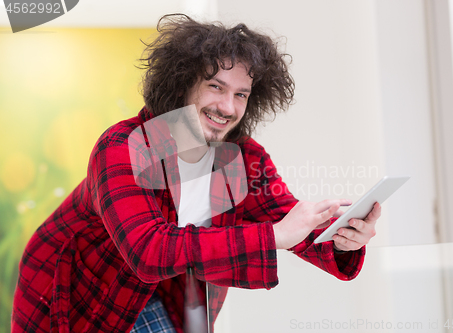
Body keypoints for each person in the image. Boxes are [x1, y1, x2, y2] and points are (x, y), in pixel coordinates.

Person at [11, 14, 380, 333]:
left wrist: (340, 236)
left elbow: (285, 218)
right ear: (182, 82)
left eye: (241, 94)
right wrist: (273, 236)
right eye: (215, 87)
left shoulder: (242, 156)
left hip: (171, 294)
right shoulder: (123, 146)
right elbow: (149, 250)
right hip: (80, 298)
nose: (227, 106)